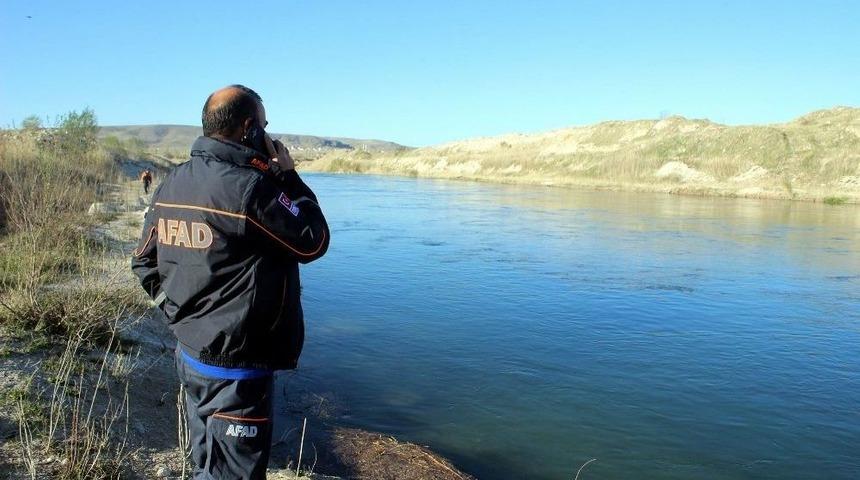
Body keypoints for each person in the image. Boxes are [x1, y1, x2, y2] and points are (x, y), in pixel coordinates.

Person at [131, 85, 330, 479]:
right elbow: (313, 240)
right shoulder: (249, 189)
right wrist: (289, 177)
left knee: (206, 463)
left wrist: (176, 317)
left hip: (191, 355)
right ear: (249, 128)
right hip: (237, 370)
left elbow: (142, 263)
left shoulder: (174, 183)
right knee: (232, 473)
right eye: (265, 126)